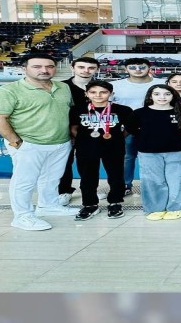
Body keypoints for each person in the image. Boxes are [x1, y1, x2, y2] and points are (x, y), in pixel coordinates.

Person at [0, 54, 74, 230]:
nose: (44, 70)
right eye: (37, 66)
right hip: (29, 143)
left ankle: (48, 205)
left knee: (52, 178)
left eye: (49, 66)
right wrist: (16, 143)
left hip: (60, 142)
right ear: (24, 69)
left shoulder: (63, 87)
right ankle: (22, 216)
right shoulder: (9, 91)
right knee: (24, 181)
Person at [69, 80, 134, 221]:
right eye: (93, 92)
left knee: (116, 177)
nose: (98, 95)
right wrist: (85, 139)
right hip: (86, 148)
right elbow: (73, 128)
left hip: (113, 148)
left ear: (111, 93)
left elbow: (130, 128)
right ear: (86, 94)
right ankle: (89, 204)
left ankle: (115, 202)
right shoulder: (77, 109)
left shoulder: (123, 110)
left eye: (103, 92)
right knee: (87, 177)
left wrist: (117, 138)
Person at [127, 84, 181, 221]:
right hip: (148, 152)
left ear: (173, 96)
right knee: (152, 181)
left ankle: (176, 206)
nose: (162, 97)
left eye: (167, 94)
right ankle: (155, 208)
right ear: (150, 96)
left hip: (177, 151)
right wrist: (145, 137)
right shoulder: (139, 113)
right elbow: (131, 129)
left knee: (177, 180)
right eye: (157, 94)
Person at [110, 58, 166, 195]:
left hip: (155, 127)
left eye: (141, 67)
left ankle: (159, 185)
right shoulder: (115, 85)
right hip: (126, 128)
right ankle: (124, 185)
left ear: (149, 68)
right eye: (133, 67)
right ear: (125, 69)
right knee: (127, 157)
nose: (138, 70)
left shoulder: (162, 83)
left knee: (156, 157)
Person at [58, 57, 101, 205]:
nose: (86, 71)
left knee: (89, 163)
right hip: (65, 130)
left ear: (97, 70)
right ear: (73, 68)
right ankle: (64, 191)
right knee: (65, 162)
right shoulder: (61, 87)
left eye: (91, 68)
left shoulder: (100, 87)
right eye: (81, 67)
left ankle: (90, 191)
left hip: (92, 131)